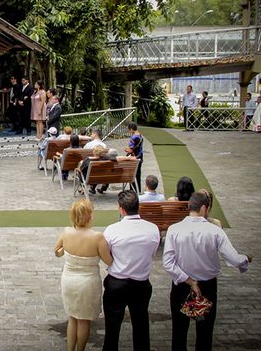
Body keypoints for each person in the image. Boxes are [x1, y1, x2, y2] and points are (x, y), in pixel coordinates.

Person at [163, 192, 252, 351]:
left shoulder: (174, 229)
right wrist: (245, 258)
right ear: (205, 208)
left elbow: (168, 263)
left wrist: (187, 279)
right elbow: (234, 259)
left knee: (179, 331)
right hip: (207, 287)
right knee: (204, 333)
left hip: (182, 285)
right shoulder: (215, 231)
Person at [102, 190, 160, 351]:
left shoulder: (112, 230)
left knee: (112, 328)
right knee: (141, 325)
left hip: (117, 282)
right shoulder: (152, 229)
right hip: (140, 282)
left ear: (121, 209)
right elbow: (152, 253)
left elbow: (107, 253)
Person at [54, 199, 113, 351]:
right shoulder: (97, 237)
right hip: (88, 282)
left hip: (69, 280)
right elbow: (109, 261)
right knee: (84, 320)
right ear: (90, 216)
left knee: (72, 317)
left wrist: (66, 251)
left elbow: (57, 251)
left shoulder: (66, 232)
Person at [125, 122, 144, 194]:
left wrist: (126, 149)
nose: (129, 131)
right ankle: (138, 189)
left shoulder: (133, 137)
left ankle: (132, 190)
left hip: (134, 158)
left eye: (129, 130)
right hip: (140, 157)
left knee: (132, 174)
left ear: (132, 129)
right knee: (138, 174)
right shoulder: (140, 136)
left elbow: (131, 149)